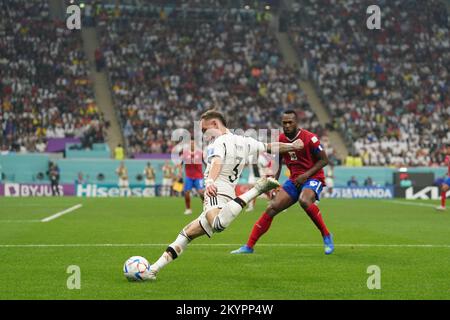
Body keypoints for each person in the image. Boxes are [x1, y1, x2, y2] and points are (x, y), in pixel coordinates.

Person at [142, 110, 303, 280]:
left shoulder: (218, 142)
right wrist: (293, 146)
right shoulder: (244, 141)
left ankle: (257, 189)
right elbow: (270, 146)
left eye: (205, 130)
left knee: (218, 225)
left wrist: (210, 182)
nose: (204, 134)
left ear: (215, 124)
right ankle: (152, 270)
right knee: (187, 233)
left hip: (216, 189)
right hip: (227, 193)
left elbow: (217, 161)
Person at [231, 110, 334, 255]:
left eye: (290, 122)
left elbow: (324, 160)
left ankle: (326, 235)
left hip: (312, 178)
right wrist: (274, 183)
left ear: (296, 122)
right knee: (272, 207)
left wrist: (305, 175)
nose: (287, 125)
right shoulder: (281, 139)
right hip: (294, 181)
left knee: (304, 200)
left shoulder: (310, 138)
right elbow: (277, 164)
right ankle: (249, 246)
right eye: (284, 123)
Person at [178, 140, 205, 215]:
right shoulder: (185, 154)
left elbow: (205, 162)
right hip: (189, 177)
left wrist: (208, 171)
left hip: (198, 177)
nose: (192, 145)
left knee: (201, 193)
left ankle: (205, 208)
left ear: (195, 145)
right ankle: (188, 209)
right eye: (191, 144)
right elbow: (180, 164)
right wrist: (180, 172)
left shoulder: (200, 153)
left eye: (193, 144)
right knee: (186, 193)